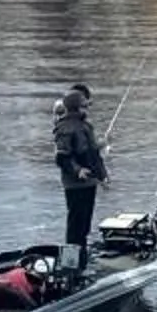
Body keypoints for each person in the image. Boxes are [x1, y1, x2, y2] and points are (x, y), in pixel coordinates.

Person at [52, 82, 108, 278]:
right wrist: (78, 171)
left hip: (89, 183)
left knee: (84, 226)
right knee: (75, 227)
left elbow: (91, 155)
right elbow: (62, 157)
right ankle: (70, 266)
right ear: (76, 106)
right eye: (84, 103)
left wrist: (102, 176)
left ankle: (81, 265)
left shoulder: (85, 126)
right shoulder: (65, 127)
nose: (87, 106)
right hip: (75, 185)